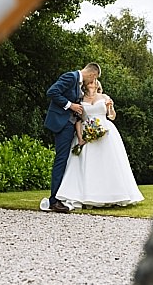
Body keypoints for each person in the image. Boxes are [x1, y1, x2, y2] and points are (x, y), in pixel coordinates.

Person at [56, 79, 145, 208]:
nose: (93, 83)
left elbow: (112, 116)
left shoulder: (104, 97)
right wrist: (80, 138)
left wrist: (110, 106)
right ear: (85, 85)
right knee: (87, 165)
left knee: (108, 164)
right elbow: (78, 121)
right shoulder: (80, 100)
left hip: (105, 133)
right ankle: (86, 196)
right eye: (90, 81)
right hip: (87, 133)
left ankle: (112, 196)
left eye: (95, 81)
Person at [43, 63, 100, 213]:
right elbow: (52, 92)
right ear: (93, 75)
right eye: (94, 79)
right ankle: (54, 200)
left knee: (65, 160)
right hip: (62, 125)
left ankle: (59, 196)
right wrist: (70, 105)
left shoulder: (77, 84)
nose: (92, 83)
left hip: (69, 125)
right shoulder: (71, 77)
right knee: (61, 160)